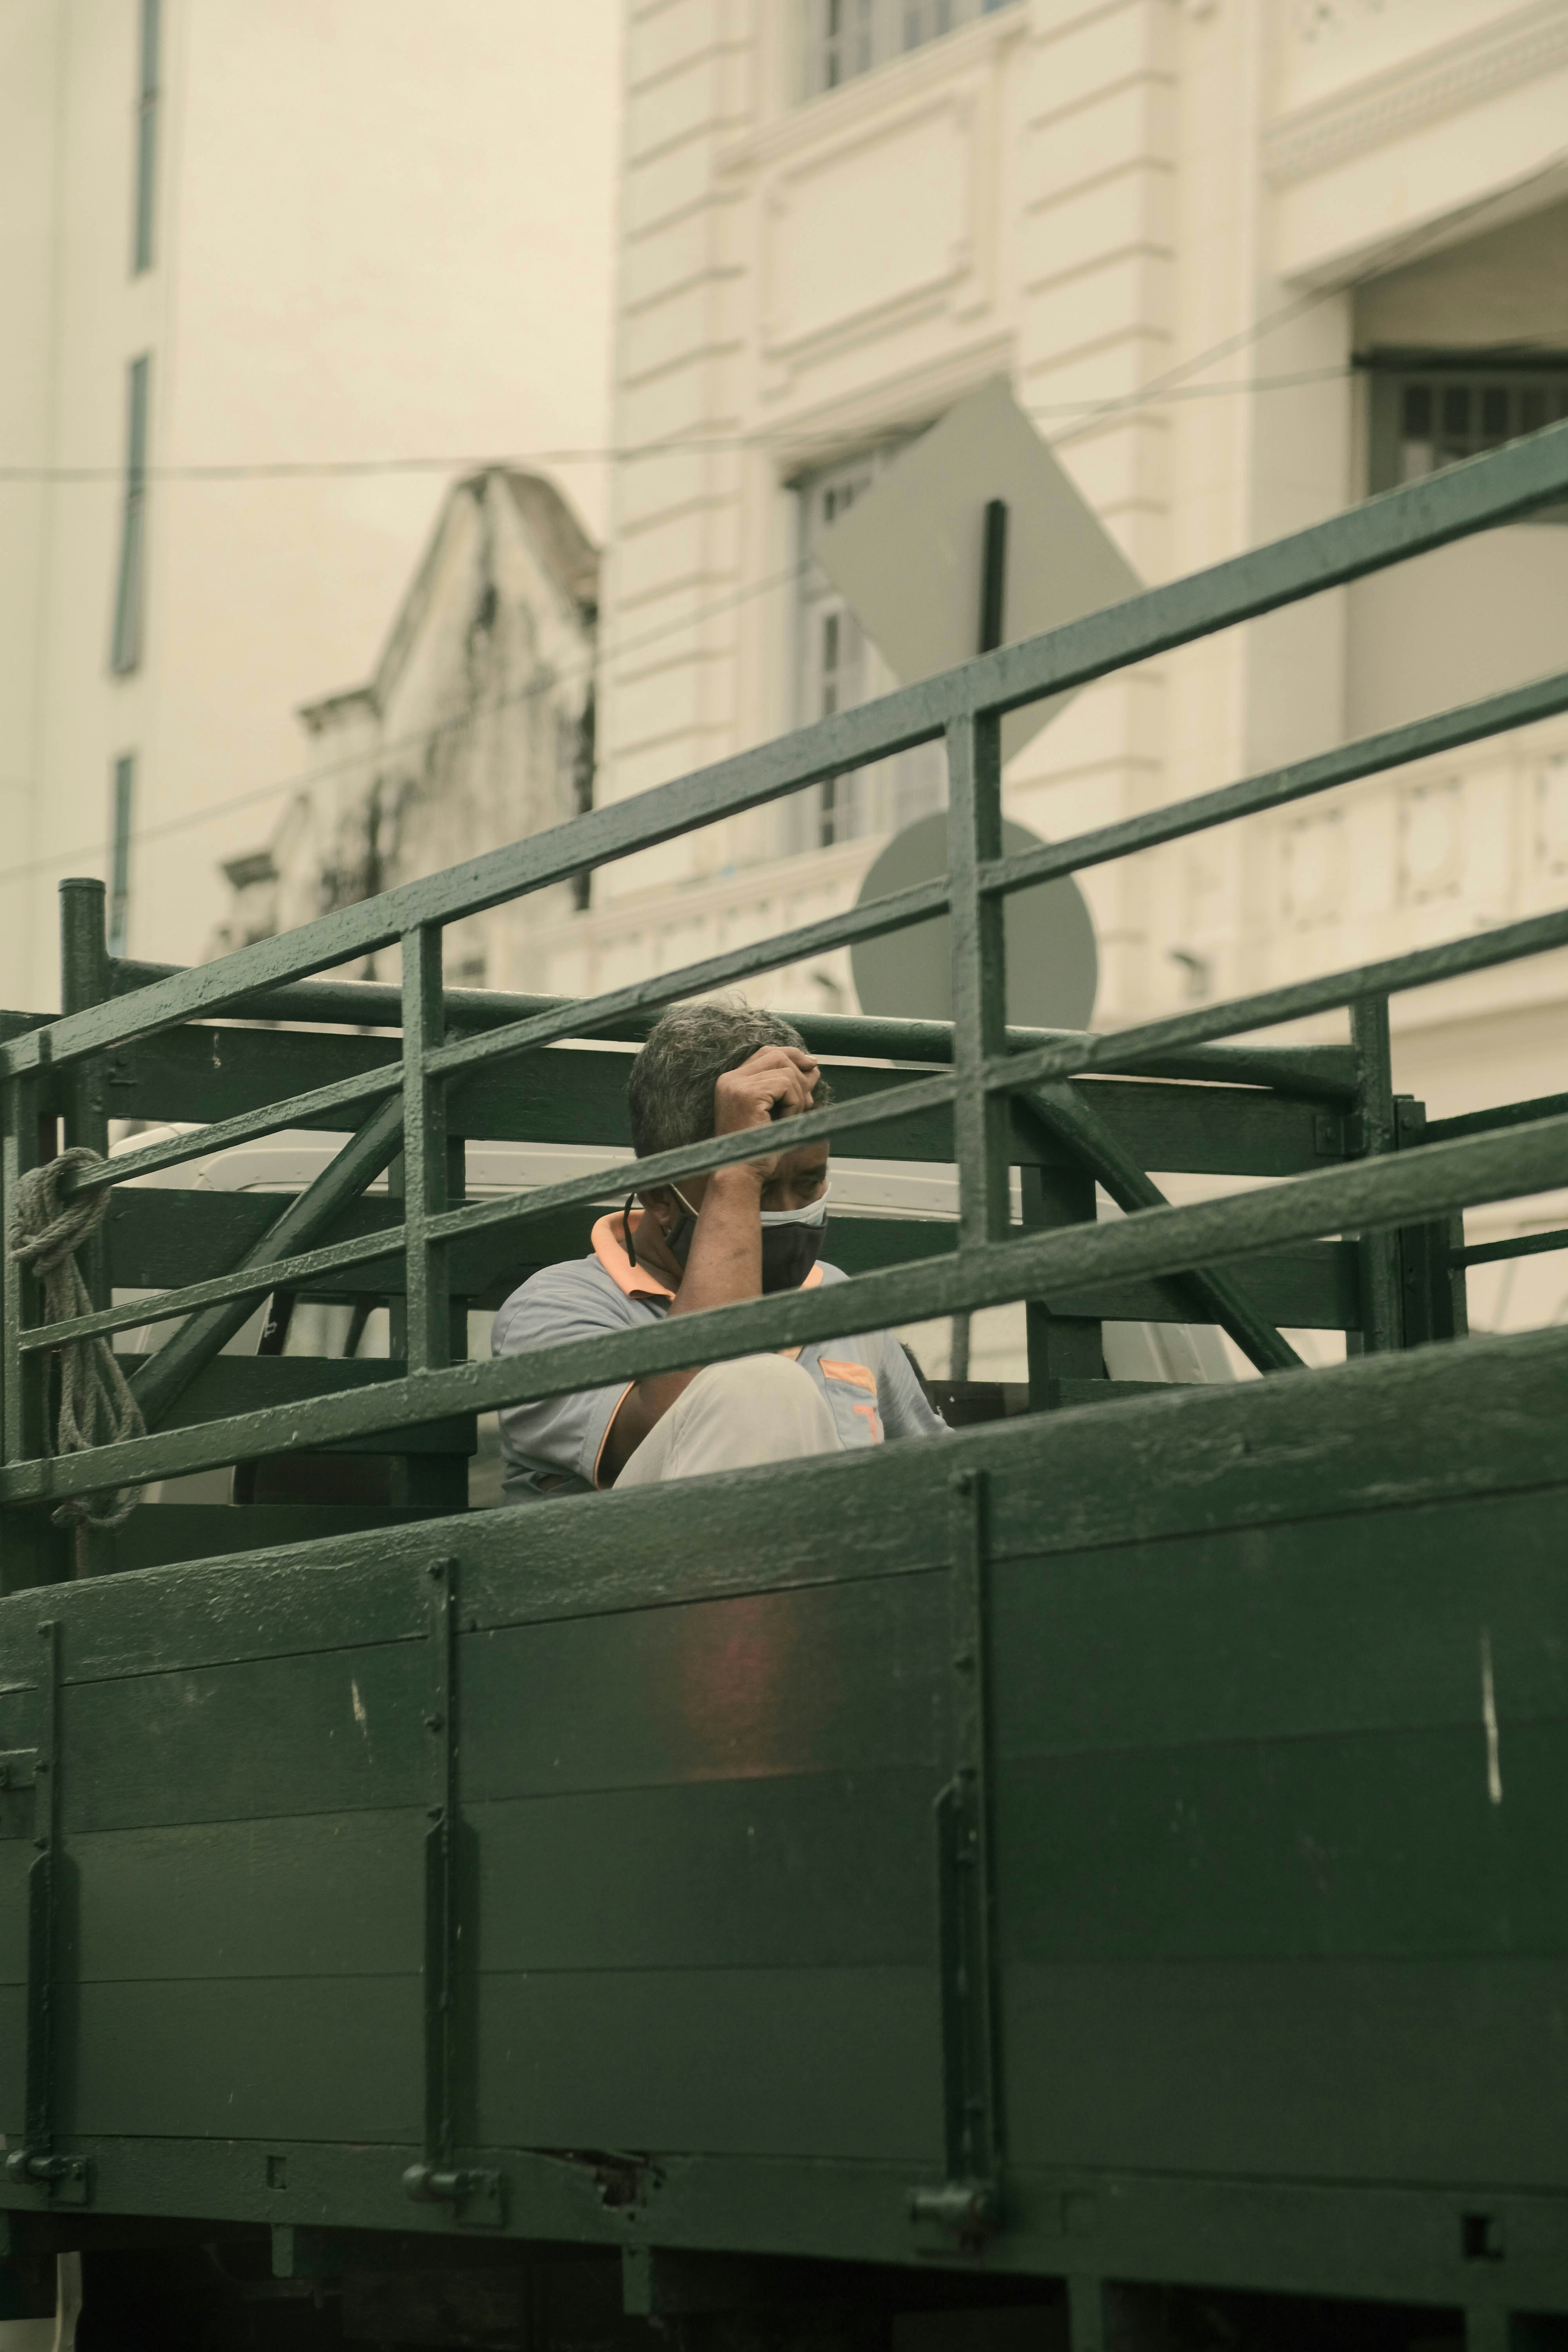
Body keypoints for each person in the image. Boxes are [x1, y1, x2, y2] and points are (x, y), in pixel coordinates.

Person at [493, 999, 948, 1496]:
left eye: (810, 1182)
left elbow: (934, 1480)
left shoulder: (840, 1301)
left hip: (840, 1563)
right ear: (661, 1198)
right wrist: (739, 1169)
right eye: (761, 1187)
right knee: (760, 1384)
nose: (791, 1209)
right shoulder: (554, 1308)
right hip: (652, 1566)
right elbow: (667, 1435)